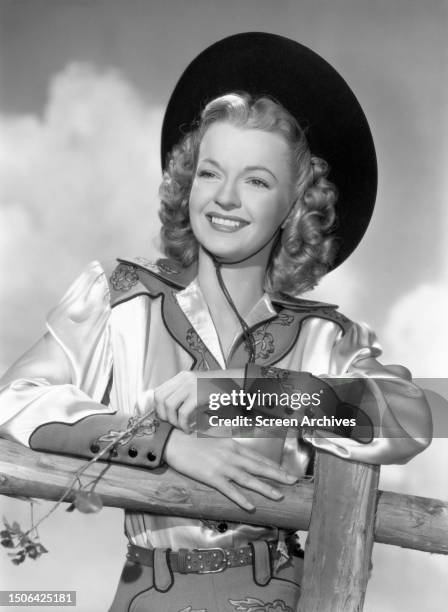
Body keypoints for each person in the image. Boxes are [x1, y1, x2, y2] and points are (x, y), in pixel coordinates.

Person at [0, 34, 432, 612]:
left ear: (295, 207)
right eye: (210, 172)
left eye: (256, 181)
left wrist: (234, 395)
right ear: (187, 183)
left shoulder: (325, 338)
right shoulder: (119, 298)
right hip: (140, 594)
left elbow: (414, 418)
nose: (225, 197)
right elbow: (16, 398)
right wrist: (167, 442)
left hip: (273, 593)